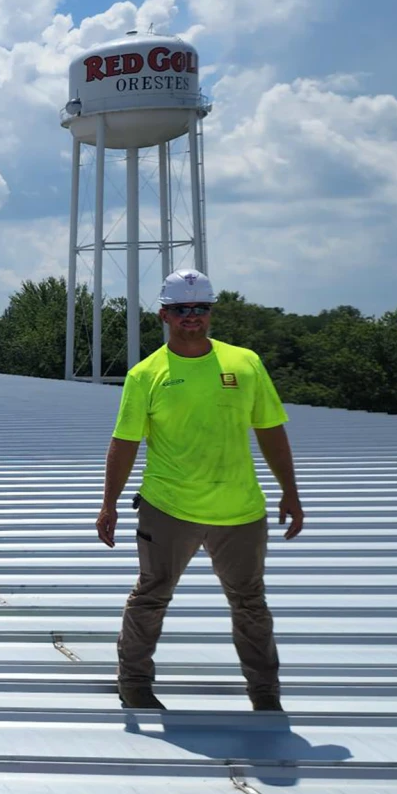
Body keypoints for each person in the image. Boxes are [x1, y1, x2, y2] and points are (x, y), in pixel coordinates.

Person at [96, 269, 303, 712]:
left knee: (250, 603)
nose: (192, 316)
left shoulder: (244, 363)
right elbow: (124, 441)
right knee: (152, 594)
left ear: (211, 313)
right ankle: (133, 684)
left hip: (241, 510)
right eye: (182, 309)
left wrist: (291, 491)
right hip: (169, 508)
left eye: (201, 308)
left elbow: (270, 429)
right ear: (164, 315)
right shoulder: (144, 375)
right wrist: (108, 504)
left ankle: (265, 695)